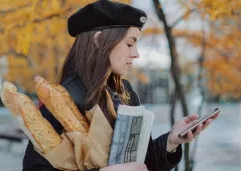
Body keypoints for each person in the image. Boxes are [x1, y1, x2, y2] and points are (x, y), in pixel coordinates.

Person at [23, 0, 219, 171]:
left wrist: (171, 141)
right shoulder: (60, 100)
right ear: (99, 40)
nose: (136, 54)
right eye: (129, 44)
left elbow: (143, 162)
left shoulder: (124, 92)